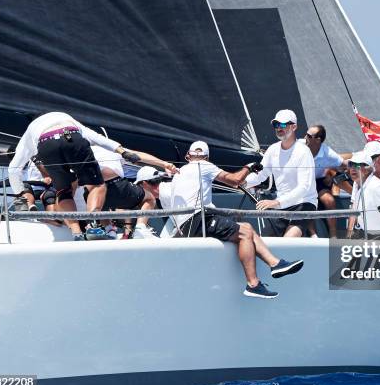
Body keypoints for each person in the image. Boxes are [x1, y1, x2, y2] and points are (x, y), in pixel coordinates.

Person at [145, 142, 303, 299]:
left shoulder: (178, 174)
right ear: (207, 157)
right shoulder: (205, 165)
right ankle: (253, 285)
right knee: (244, 234)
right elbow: (235, 180)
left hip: (188, 225)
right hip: (199, 220)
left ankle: (275, 264)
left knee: (246, 226)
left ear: (188, 156)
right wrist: (249, 167)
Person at [8, 112, 147, 241]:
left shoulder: (31, 131)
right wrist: (122, 151)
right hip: (72, 137)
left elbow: (13, 170)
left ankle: (76, 233)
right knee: (97, 185)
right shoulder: (65, 117)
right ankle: (93, 227)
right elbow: (96, 137)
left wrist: (20, 194)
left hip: (46, 145)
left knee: (63, 191)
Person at [245, 109, 318, 237]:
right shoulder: (272, 150)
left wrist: (276, 202)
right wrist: (240, 181)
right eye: (276, 125)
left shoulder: (303, 151)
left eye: (283, 125)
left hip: (304, 203)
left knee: (288, 240)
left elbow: (304, 187)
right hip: (282, 204)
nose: (279, 128)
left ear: (294, 126)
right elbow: (261, 175)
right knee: (264, 243)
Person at [88, 146, 176, 239]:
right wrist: (164, 164)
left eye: (139, 185)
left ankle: (110, 230)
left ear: (144, 182)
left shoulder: (81, 151)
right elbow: (138, 155)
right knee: (149, 198)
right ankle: (140, 229)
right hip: (115, 185)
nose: (139, 187)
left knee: (100, 203)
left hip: (92, 190)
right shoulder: (108, 147)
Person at [302, 124, 347, 238]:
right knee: (308, 202)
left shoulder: (327, 152)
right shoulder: (298, 146)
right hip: (302, 183)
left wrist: (332, 176)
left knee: (330, 201)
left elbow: (343, 165)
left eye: (308, 135)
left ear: (318, 140)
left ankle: (333, 235)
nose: (304, 137)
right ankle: (313, 234)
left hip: (319, 181)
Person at [346, 151, 380, 238]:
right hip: (370, 238)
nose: (353, 168)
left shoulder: (376, 186)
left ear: (367, 169)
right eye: (351, 164)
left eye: (357, 165)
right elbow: (354, 214)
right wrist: (349, 237)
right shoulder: (358, 186)